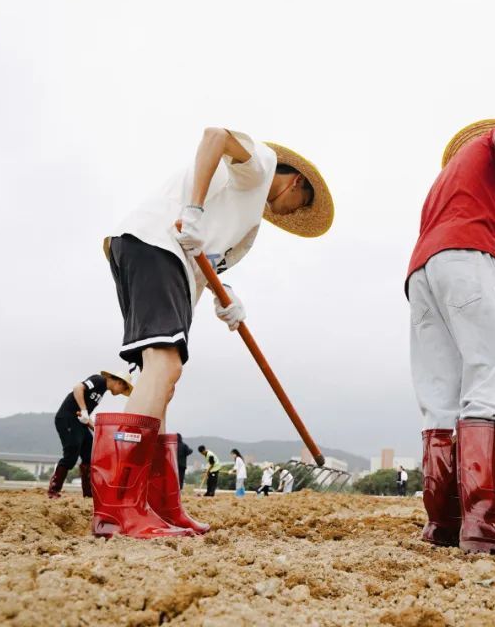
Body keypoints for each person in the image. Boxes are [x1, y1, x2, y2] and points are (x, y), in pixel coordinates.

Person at [93, 127, 334, 539]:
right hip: (156, 243)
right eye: (300, 205)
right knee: (164, 367)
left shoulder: (245, 217)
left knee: (161, 380)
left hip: (159, 257)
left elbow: (207, 264)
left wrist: (228, 298)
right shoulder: (260, 165)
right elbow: (215, 136)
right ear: (296, 183)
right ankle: (119, 507)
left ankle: (161, 505)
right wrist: (194, 210)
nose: (291, 215)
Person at [407, 119, 495, 557]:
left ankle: (443, 522)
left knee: (441, 395)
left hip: (423, 273)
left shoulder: (446, 182)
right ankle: (484, 523)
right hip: (469, 259)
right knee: (492, 378)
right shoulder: (494, 141)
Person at [48, 371, 134, 499]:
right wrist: (83, 410)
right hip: (68, 418)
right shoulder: (99, 380)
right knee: (71, 454)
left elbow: (85, 417)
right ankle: (53, 490)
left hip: (79, 422)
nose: (121, 392)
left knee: (90, 455)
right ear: (119, 382)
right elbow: (78, 388)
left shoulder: (102, 390)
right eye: (123, 389)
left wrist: (99, 430)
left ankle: (88, 494)